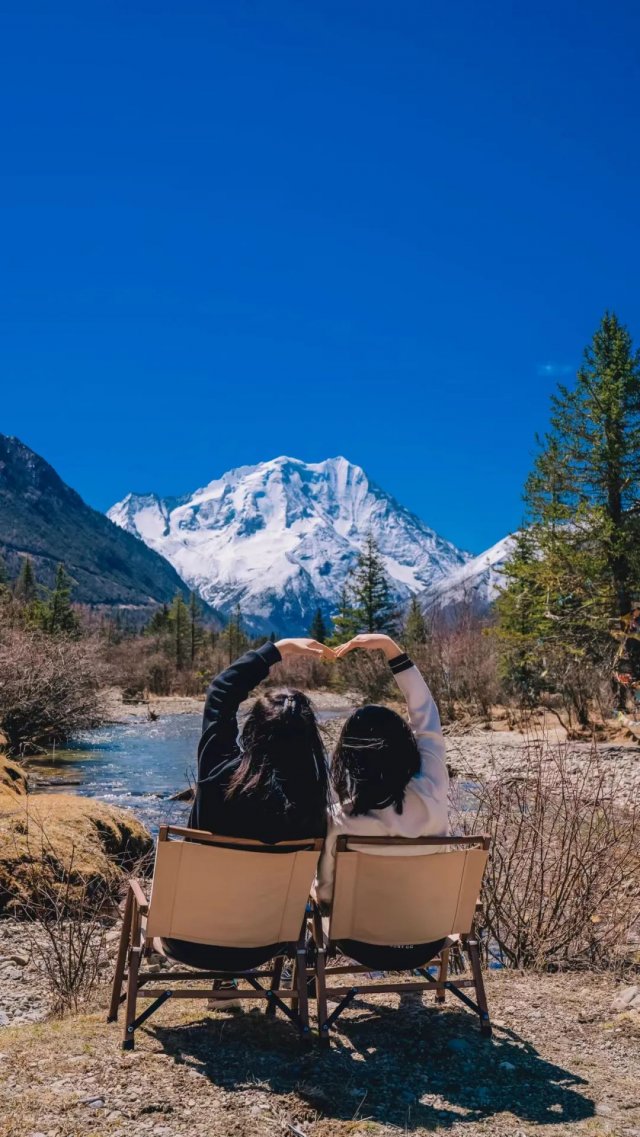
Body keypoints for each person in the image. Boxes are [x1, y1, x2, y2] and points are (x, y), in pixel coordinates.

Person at [162, 636, 333, 977]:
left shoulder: (218, 771)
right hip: (268, 942)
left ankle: (223, 988)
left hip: (187, 939)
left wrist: (275, 650)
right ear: (309, 740)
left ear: (253, 728)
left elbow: (221, 693)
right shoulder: (311, 805)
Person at [315, 632, 450, 969]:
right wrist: (392, 649)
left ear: (348, 758)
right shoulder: (432, 789)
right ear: (406, 747)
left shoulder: (340, 820)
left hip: (360, 942)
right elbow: (427, 718)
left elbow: (327, 894)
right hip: (428, 940)